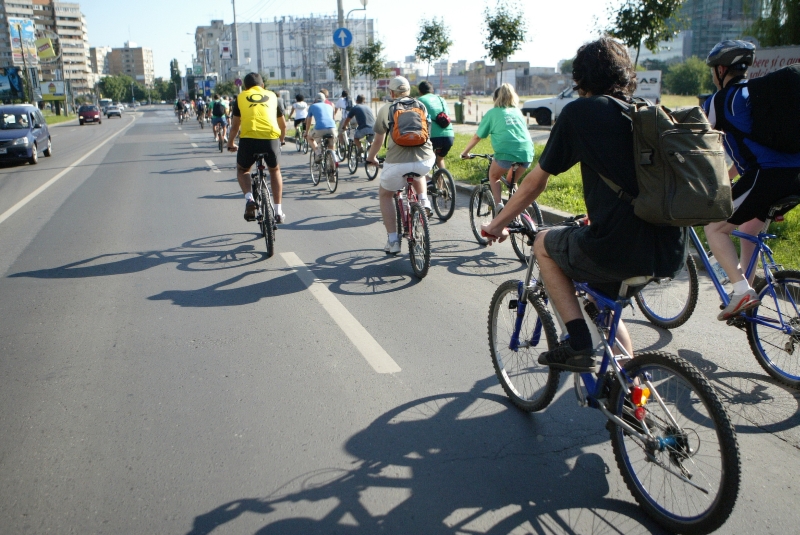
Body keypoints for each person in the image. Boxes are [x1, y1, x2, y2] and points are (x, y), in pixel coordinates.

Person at [481, 37, 687, 373]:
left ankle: (578, 343)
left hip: (619, 247)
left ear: (582, 79)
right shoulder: (644, 112)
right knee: (600, 300)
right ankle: (628, 389)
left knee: (543, 245)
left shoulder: (580, 113)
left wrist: (497, 223)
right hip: (669, 250)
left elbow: (534, 182)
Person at [702, 40, 800, 320]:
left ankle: (740, 289)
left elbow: (697, 143)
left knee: (715, 228)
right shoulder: (758, 95)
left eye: (713, 71)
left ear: (721, 70)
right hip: (794, 176)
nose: (712, 76)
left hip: (767, 178)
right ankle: (747, 298)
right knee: (749, 229)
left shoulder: (719, 101)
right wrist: (730, 180)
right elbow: (751, 153)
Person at [366, 76, 435, 255]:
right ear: (409, 91)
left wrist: (371, 157)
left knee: (385, 195)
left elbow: (378, 140)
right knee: (418, 173)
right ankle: (424, 201)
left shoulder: (386, 109)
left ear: (391, 92)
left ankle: (393, 240)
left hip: (397, 162)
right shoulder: (421, 106)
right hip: (425, 160)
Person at [460, 83, 533, 210]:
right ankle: (519, 210)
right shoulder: (517, 112)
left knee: (493, 176)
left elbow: (478, 136)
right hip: (527, 152)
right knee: (511, 182)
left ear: (495, 99)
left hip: (506, 152)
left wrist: (465, 152)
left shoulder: (493, 113)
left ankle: (499, 206)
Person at [227, 72, 287, 223]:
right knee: (274, 170)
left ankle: (249, 199)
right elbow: (283, 125)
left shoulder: (240, 98)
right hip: (270, 138)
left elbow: (235, 126)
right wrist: (281, 140)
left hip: (249, 139)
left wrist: (230, 143)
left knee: (243, 170)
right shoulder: (273, 97)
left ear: (245, 87)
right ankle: (278, 211)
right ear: (263, 86)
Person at [417, 81, 455, 171]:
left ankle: (425, 183)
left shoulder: (420, 100)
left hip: (432, 137)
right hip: (449, 136)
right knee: (440, 158)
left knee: (423, 160)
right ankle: (441, 184)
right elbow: (446, 115)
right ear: (432, 90)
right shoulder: (441, 99)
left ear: (420, 91)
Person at [304, 93, 338, 162]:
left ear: (315, 100)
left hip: (319, 128)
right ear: (324, 99)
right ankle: (333, 165)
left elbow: (308, 121)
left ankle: (318, 153)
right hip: (332, 128)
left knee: (309, 138)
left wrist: (306, 132)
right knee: (331, 146)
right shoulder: (330, 106)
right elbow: (333, 118)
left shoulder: (312, 106)